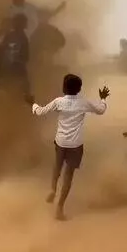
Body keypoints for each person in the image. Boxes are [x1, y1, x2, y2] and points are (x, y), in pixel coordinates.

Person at [31, 74, 110, 221]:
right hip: (75, 145)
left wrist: (32, 103)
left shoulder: (59, 102)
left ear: (63, 87)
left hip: (61, 142)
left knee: (57, 166)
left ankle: (52, 189)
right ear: (79, 89)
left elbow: (40, 111)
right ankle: (60, 208)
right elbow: (101, 110)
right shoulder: (83, 103)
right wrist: (103, 98)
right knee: (68, 176)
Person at [0, 13, 31, 98]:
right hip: (16, 69)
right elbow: (26, 56)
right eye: (24, 22)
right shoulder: (22, 37)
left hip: (9, 69)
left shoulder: (9, 35)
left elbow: (2, 50)